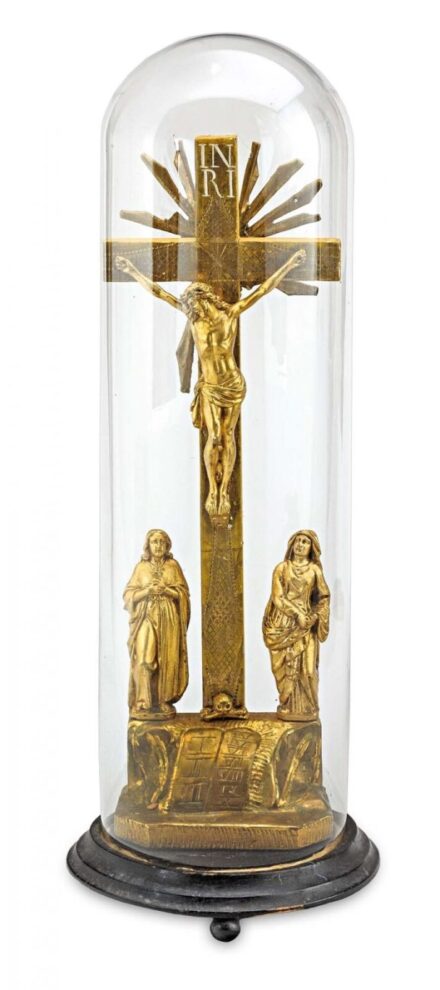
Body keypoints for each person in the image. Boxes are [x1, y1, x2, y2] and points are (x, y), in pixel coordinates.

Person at [115, 249, 306, 519]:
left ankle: (224, 489)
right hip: (210, 387)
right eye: (189, 306)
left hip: (233, 384)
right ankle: (212, 491)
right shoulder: (194, 319)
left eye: (193, 304)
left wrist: (290, 263)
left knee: (227, 435)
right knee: (214, 437)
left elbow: (264, 289)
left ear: (204, 300)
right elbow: (159, 293)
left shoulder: (230, 314)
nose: (190, 310)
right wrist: (132, 270)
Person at [263, 530, 330, 721]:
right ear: (292, 545)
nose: (300, 545)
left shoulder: (315, 570)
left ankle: (308, 708)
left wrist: (314, 616)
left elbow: (323, 597)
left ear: (311, 548)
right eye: (297, 541)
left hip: (306, 626)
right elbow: (278, 597)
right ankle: (287, 705)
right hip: (282, 624)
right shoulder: (281, 568)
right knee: (283, 669)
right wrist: (297, 614)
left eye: (305, 542)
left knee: (308, 671)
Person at [123, 529, 190, 720]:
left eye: (162, 542)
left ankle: (161, 700)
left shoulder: (173, 566)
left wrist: (167, 591)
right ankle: (143, 702)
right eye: (154, 542)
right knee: (144, 657)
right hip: (146, 616)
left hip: (169, 619)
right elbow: (128, 595)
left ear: (167, 545)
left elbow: (183, 595)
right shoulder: (141, 568)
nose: (158, 546)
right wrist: (147, 591)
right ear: (148, 545)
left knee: (167, 659)